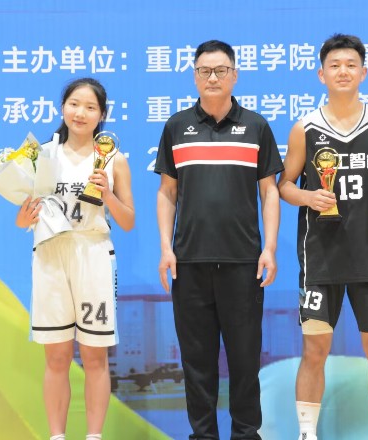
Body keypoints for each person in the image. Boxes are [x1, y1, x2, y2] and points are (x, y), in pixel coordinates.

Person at [277, 34, 368, 440]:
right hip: (319, 256)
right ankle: (307, 433)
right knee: (314, 350)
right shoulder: (304, 128)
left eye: (350, 64)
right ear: (320, 74)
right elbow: (283, 184)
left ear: (363, 72)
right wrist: (307, 195)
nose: (342, 71)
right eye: (334, 65)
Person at [154, 40, 283, 440]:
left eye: (221, 70)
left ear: (234, 75)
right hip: (188, 263)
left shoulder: (256, 127)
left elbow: (270, 192)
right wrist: (166, 248)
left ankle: (246, 434)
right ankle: (203, 435)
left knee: (245, 361)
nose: (213, 77)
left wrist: (269, 248)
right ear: (195, 76)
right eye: (204, 71)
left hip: (243, 263)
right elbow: (167, 192)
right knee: (197, 363)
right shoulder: (177, 127)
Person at [15, 77, 135, 440]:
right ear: (62, 108)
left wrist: (108, 194)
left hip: (93, 255)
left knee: (95, 357)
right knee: (56, 358)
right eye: (74, 104)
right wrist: (23, 218)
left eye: (90, 107)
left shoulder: (113, 159)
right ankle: (57, 436)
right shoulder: (40, 156)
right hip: (50, 257)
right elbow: (23, 216)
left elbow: (128, 220)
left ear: (102, 115)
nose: (80, 113)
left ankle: (94, 436)